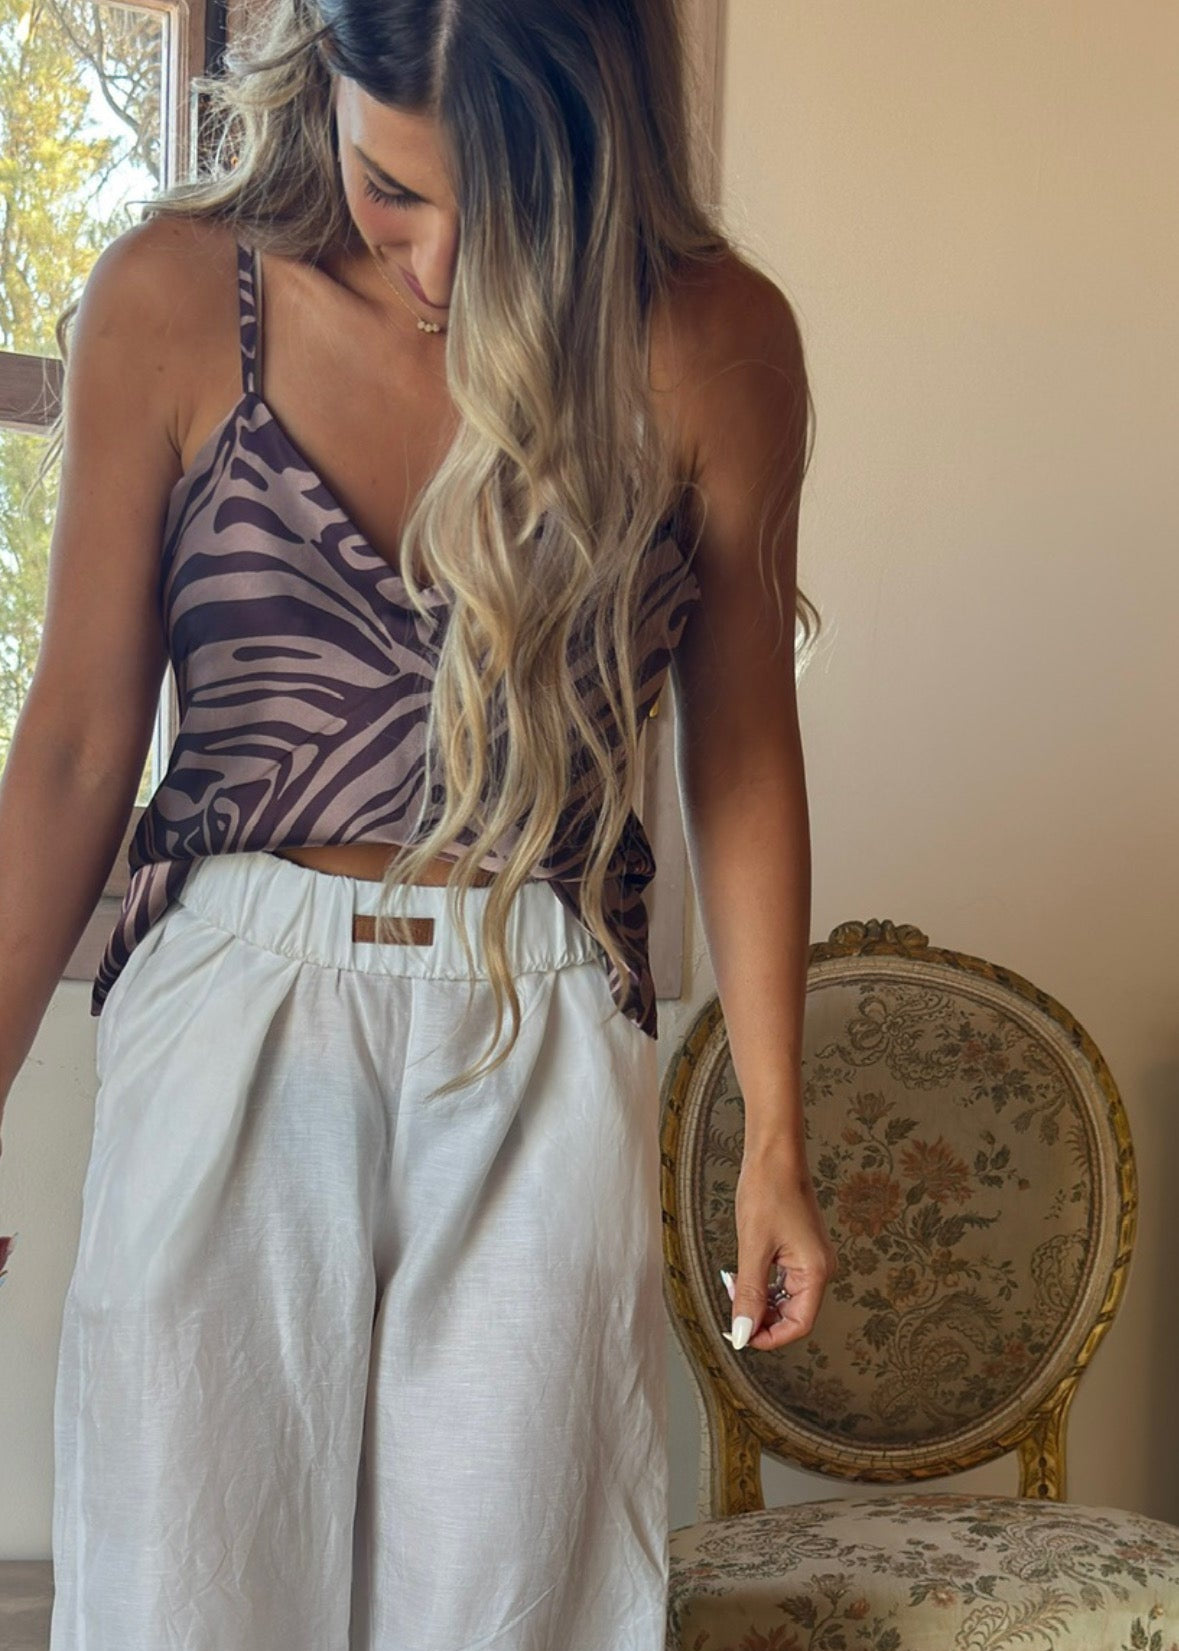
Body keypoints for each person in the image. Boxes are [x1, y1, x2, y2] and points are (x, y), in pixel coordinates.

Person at [0, 0, 837, 1646]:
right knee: (184, 1595)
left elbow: (739, 744)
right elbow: (82, 748)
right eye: (396, 191)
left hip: (536, 1016)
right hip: (234, 1006)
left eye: (506, 207)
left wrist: (776, 1123)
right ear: (326, 80)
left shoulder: (717, 344)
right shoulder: (172, 301)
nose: (442, 262)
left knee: (513, 1605)